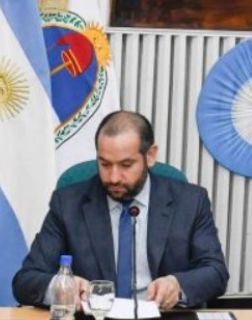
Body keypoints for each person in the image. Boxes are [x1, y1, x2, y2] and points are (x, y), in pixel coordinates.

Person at [12, 111, 228, 310]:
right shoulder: (68, 204)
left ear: (150, 155)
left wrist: (177, 285)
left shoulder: (190, 202)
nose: (113, 177)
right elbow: (26, 280)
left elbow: (216, 272)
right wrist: (61, 287)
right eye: (105, 164)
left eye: (126, 165)